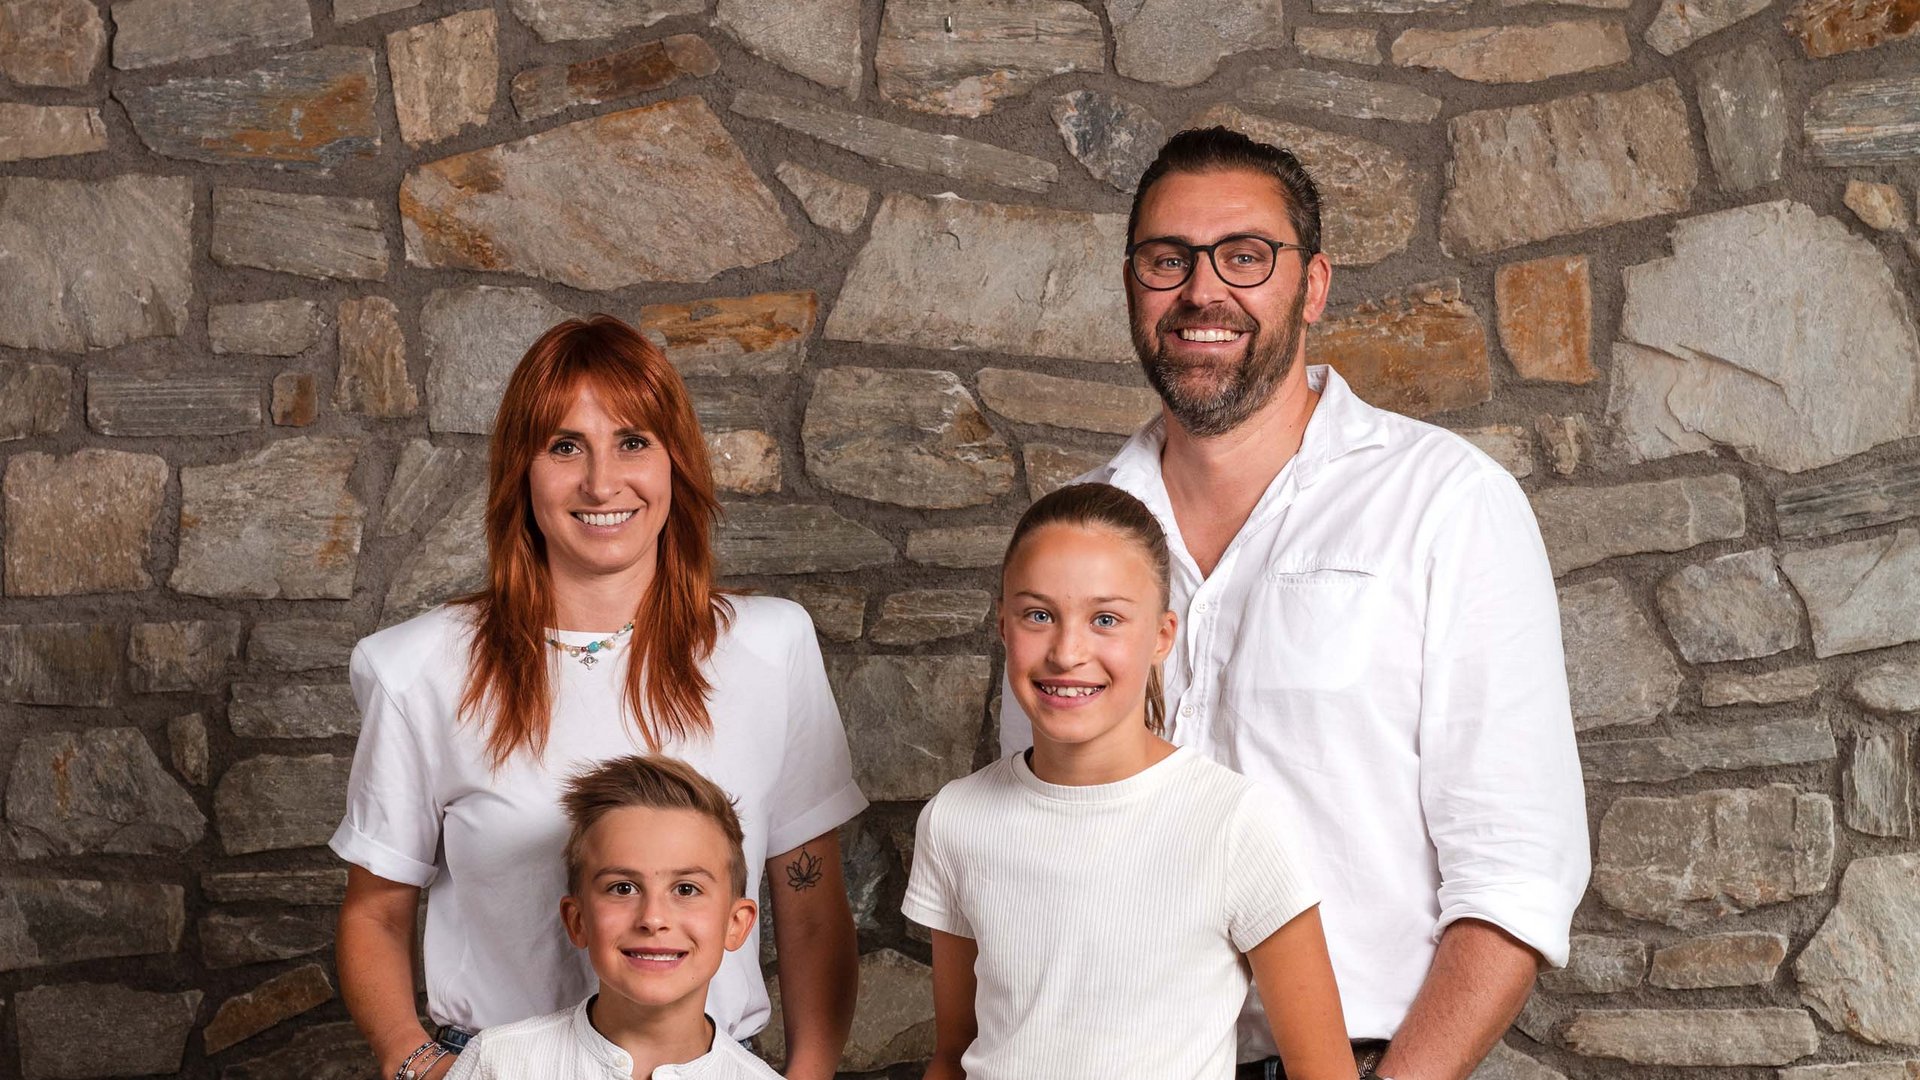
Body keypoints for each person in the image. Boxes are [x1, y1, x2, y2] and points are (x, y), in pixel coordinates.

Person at [999, 127, 1590, 1080]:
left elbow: (1516, 873)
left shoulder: (1444, 503)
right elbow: (1031, 824)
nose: (1202, 291)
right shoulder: (1074, 534)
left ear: (1311, 285)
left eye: (1245, 256)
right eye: (1168, 259)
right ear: (1132, 284)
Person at [333, 316, 866, 1080]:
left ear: (676, 462)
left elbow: (810, 907)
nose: (601, 482)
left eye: (633, 441)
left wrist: (808, 1077)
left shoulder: (771, 648)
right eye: (564, 446)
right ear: (521, 471)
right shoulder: (418, 669)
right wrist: (414, 1061)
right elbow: (375, 912)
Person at [904, 483, 1354, 1080]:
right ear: (1004, 625)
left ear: (1162, 636)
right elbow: (953, 1055)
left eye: (1106, 619)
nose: (1068, 652)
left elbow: (1324, 1071)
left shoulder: (1233, 822)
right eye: (1039, 615)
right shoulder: (955, 819)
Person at [445, 754, 783, 1080]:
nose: (653, 918)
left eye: (686, 889)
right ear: (577, 921)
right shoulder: (496, 1064)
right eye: (623, 888)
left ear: (736, 924)